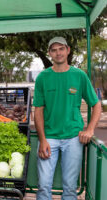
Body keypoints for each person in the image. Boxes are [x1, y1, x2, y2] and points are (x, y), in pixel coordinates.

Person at [33, 36, 101, 200]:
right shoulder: (43, 77)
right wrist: (42, 139)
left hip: (73, 138)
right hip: (49, 138)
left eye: (61, 49)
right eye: (54, 50)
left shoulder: (79, 76)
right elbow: (38, 111)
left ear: (68, 50)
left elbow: (96, 105)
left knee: (70, 188)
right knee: (43, 187)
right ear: (49, 53)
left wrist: (90, 129)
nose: (58, 53)